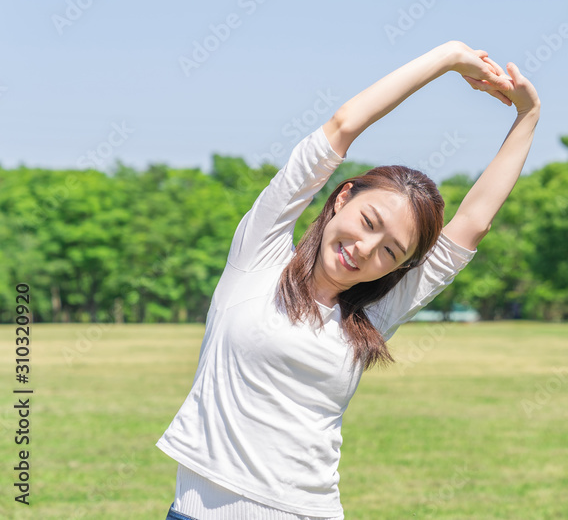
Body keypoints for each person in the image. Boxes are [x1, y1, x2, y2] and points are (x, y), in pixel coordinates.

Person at [156, 40, 541, 520]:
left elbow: (474, 223)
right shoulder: (258, 257)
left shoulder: (374, 314)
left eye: (390, 251)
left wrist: (528, 116)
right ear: (342, 198)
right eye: (368, 221)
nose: (365, 249)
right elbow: (343, 125)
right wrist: (448, 56)